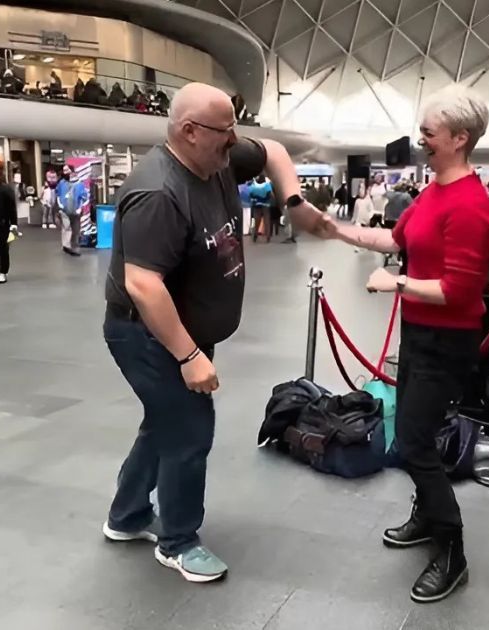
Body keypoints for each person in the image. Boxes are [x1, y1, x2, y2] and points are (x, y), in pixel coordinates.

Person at [101, 82, 331, 583]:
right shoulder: (159, 193)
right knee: (188, 430)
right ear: (189, 131)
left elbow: (271, 151)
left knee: (165, 420)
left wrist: (294, 202)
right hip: (147, 334)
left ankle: (127, 516)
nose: (234, 142)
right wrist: (188, 356)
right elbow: (142, 284)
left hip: (186, 329)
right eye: (225, 133)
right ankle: (178, 541)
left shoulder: (218, 157)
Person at [322, 85, 489, 604]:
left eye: (429, 131)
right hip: (420, 333)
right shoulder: (434, 189)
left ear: (460, 138)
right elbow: (397, 240)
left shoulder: (469, 205)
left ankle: (452, 548)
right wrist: (334, 228)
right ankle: (427, 516)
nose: (420, 138)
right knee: (412, 435)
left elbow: (458, 292)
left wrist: (393, 283)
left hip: (448, 338)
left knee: (415, 442)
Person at [56, 164, 86, 256]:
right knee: (66, 227)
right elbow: (58, 194)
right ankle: (66, 246)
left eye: (67, 170)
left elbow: (83, 197)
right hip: (64, 210)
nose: (65, 172)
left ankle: (75, 246)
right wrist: (59, 204)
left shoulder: (79, 184)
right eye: (64, 170)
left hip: (76, 210)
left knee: (76, 229)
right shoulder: (62, 183)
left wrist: (80, 208)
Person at [247, 174, 273, 243]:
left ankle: (255, 235)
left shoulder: (253, 186)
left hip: (256, 204)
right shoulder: (267, 185)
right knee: (266, 220)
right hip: (266, 204)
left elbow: (250, 194)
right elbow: (270, 195)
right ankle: (268, 237)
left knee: (257, 221)